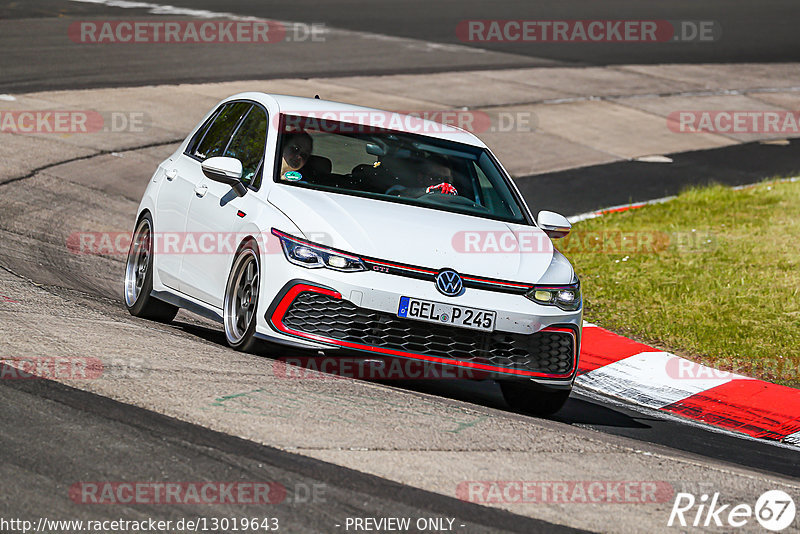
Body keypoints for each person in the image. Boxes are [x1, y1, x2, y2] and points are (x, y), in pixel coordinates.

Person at [387, 155, 458, 198]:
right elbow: (396, 194)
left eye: (447, 180)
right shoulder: (398, 189)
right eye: (436, 178)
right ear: (421, 177)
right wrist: (432, 190)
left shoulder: (454, 199)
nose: (442, 183)